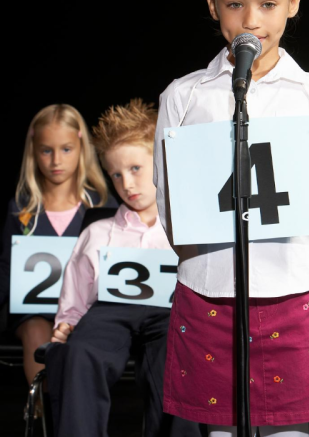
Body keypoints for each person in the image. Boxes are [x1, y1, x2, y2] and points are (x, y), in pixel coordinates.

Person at [154, 0, 309, 437]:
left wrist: (293, 265)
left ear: (292, 3)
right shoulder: (185, 96)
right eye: (234, 4)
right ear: (212, 6)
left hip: (296, 292)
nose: (251, 22)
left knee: (289, 431)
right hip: (212, 294)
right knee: (222, 431)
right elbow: (172, 204)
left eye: (267, 4)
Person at [45, 99, 201, 437]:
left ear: (161, 165)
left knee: (179, 357)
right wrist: (66, 323)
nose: (126, 184)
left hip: (169, 314)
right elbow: (78, 288)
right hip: (110, 311)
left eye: (135, 169)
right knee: (79, 353)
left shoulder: (188, 228)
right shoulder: (98, 233)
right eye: (116, 174)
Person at [1, 103, 107, 385]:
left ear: (81, 147)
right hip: (33, 312)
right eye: (47, 150)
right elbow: (6, 269)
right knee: (36, 332)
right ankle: (46, 412)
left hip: (84, 312)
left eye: (66, 149)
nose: (56, 160)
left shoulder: (101, 206)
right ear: (34, 150)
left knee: (81, 339)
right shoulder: (21, 209)